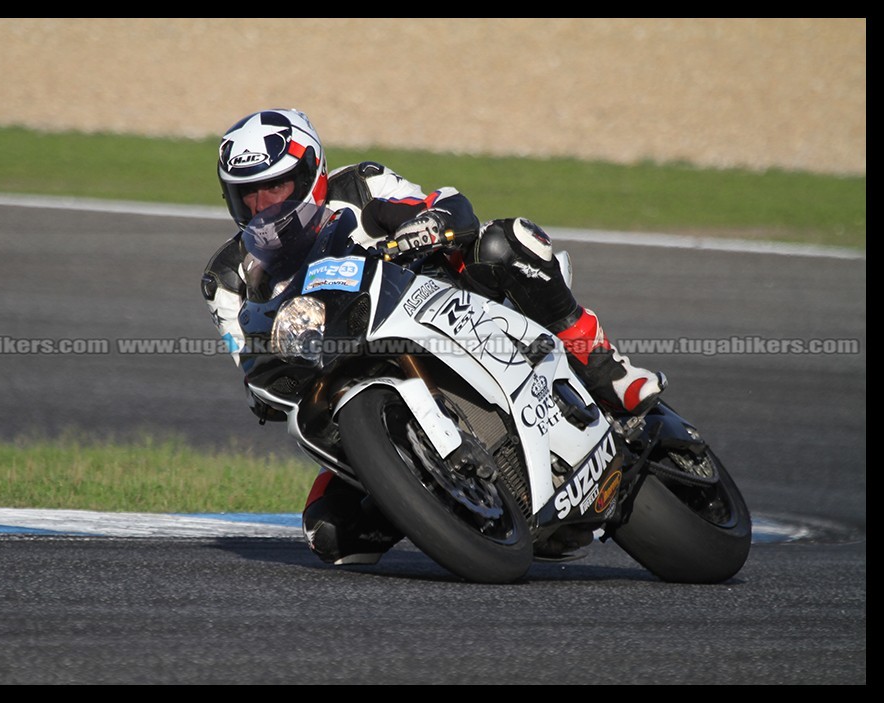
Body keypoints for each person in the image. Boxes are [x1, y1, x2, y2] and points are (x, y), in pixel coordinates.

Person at [201, 108, 665, 565]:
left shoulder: (361, 184)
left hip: (444, 309)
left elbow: (447, 209)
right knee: (332, 534)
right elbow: (251, 369)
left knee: (506, 242)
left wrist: (427, 225)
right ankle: (443, 502)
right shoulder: (224, 278)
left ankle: (607, 370)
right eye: (248, 195)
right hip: (342, 371)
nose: (263, 206)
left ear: (311, 175)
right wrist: (268, 377)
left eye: (274, 187)